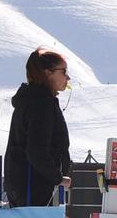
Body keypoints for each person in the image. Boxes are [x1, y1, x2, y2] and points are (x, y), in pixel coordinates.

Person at [4, 48, 74, 207]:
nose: (68, 77)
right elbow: (37, 149)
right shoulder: (41, 103)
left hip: (25, 186)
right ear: (48, 72)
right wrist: (57, 177)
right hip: (34, 187)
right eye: (63, 71)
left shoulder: (30, 100)